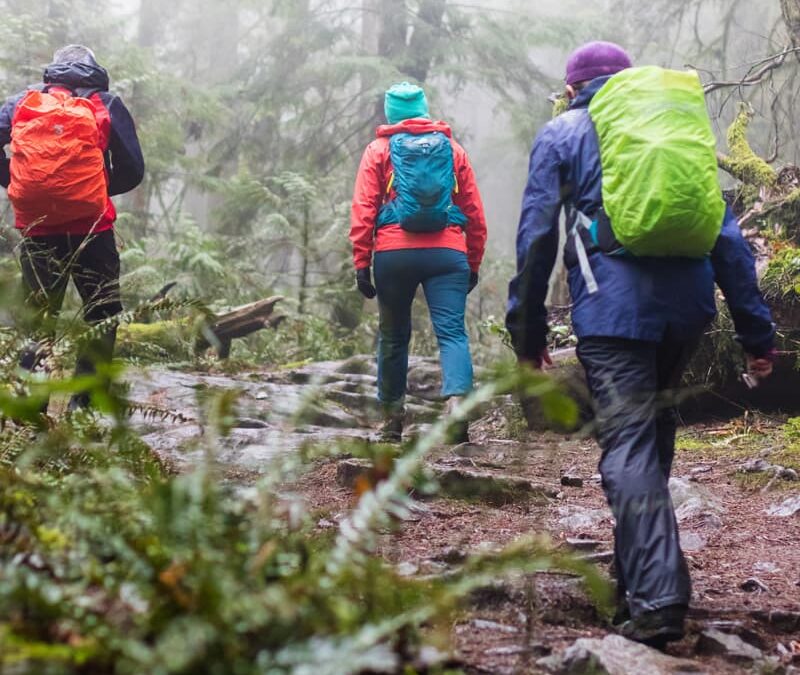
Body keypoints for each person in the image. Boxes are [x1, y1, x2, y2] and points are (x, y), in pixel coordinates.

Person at [506, 42, 775, 647]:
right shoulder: (670, 130)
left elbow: (535, 238)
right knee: (653, 436)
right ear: (628, 84)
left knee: (627, 444)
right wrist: (757, 333)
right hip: (687, 310)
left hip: (612, 311)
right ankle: (635, 583)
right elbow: (727, 237)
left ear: (571, 88)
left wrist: (526, 335)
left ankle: (657, 599)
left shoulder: (564, 133)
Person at [0, 44, 145, 413]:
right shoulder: (106, 104)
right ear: (94, 68)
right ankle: (85, 406)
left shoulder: (22, 102)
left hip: (37, 229)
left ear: (54, 70)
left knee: (39, 318)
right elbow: (133, 169)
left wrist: (13, 182)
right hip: (94, 229)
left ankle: (30, 412)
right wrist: (91, 188)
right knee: (102, 313)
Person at [350, 82, 487, 442]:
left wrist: (362, 262)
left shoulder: (378, 150)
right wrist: (472, 261)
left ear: (390, 112)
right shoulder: (453, 150)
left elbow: (364, 208)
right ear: (424, 109)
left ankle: (392, 419)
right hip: (448, 253)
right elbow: (473, 210)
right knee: (452, 332)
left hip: (395, 255)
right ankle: (456, 403)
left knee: (393, 337)